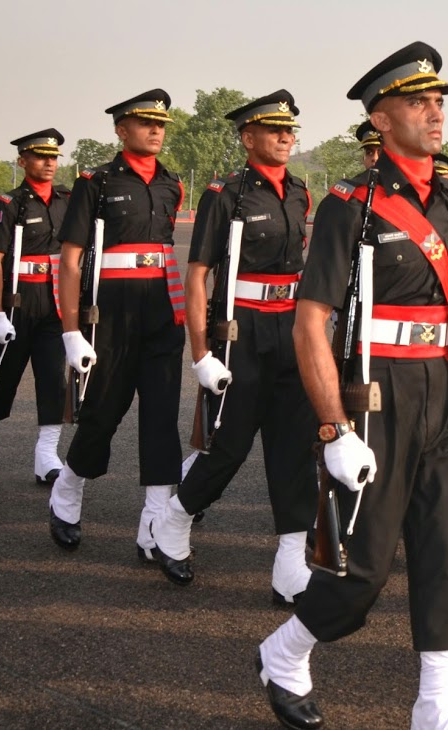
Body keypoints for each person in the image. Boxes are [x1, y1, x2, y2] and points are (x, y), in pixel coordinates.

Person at [254, 42, 448, 730]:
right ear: (381, 119)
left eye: (438, 102)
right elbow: (310, 323)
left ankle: (434, 706)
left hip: (440, 389)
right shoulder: (351, 204)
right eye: (418, 103)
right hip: (376, 394)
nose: (435, 114)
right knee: (362, 568)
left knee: (446, 556)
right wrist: (333, 428)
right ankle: (284, 652)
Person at [148, 90, 318, 605]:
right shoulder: (226, 194)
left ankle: (290, 563)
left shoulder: (300, 193)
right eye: (274, 130)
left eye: (290, 131)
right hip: (241, 328)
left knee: (294, 448)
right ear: (248, 137)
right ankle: (175, 519)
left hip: (290, 327)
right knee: (230, 445)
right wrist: (201, 353)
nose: (285, 137)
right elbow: (198, 274)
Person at [48, 90, 186, 557]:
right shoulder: (97, 182)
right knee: (103, 412)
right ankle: (68, 488)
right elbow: (70, 261)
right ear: (121, 130)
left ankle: (154, 524)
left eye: (160, 124)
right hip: (111, 315)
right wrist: (71, 330)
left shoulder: (172, 184)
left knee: (162, 416)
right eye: (146, 123)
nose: (156, 130)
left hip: (162, 312)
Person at [0, 129, 69, 483]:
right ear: (23, 161)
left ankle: (46, 455)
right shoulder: (8, 204)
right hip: (18, 300)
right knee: (4, 377)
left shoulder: (66, 200)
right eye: (40, 156)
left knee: (53, 379)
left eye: (53, 157)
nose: (49, 163)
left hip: (55, 301)